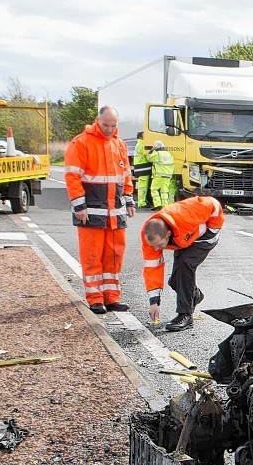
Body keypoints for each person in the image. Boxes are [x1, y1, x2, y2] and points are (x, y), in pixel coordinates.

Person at [64, 107, 135, 314]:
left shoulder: (119, 144)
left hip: (115, 213)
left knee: (114, 256)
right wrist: (79, 205)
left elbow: (126, 176)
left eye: (113, 126)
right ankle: (95, 299)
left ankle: (111, 298)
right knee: (92, 256)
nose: (109, 130)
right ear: (97, 120)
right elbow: (72, 176)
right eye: (106, 125)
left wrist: (129, 201)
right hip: (91, 212)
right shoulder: (81, 143)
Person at [141, 195, 224, 331]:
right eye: (154, 246)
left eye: (160, 245)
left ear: (167, 234)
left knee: (185, 265)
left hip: (206, 235)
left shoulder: (187, 216)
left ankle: (185, 315)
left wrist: (212, 229)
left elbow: (213, 204)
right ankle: (194, 295)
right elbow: (152, 267)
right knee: (175, 281)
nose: (156, 249)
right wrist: (154, 302)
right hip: (183, 239)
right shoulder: (150, 237)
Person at [146, 140, 177, 206]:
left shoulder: (156, 154)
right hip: (168, 175)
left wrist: (152, 150)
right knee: (164, 191)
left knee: (154, 189)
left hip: (159, 175)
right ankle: (165, 205)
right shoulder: (169, 154)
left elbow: (148, 158)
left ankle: (157, 204)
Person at [131, 131, 154, 209]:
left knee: (142, 186)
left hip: (141, 168)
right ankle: (142, 202)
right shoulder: (142, 145)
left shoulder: (139, 144)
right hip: (143, 168)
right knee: (143, 187)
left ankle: (143, 201)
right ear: (141, 136)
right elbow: (148, 155)